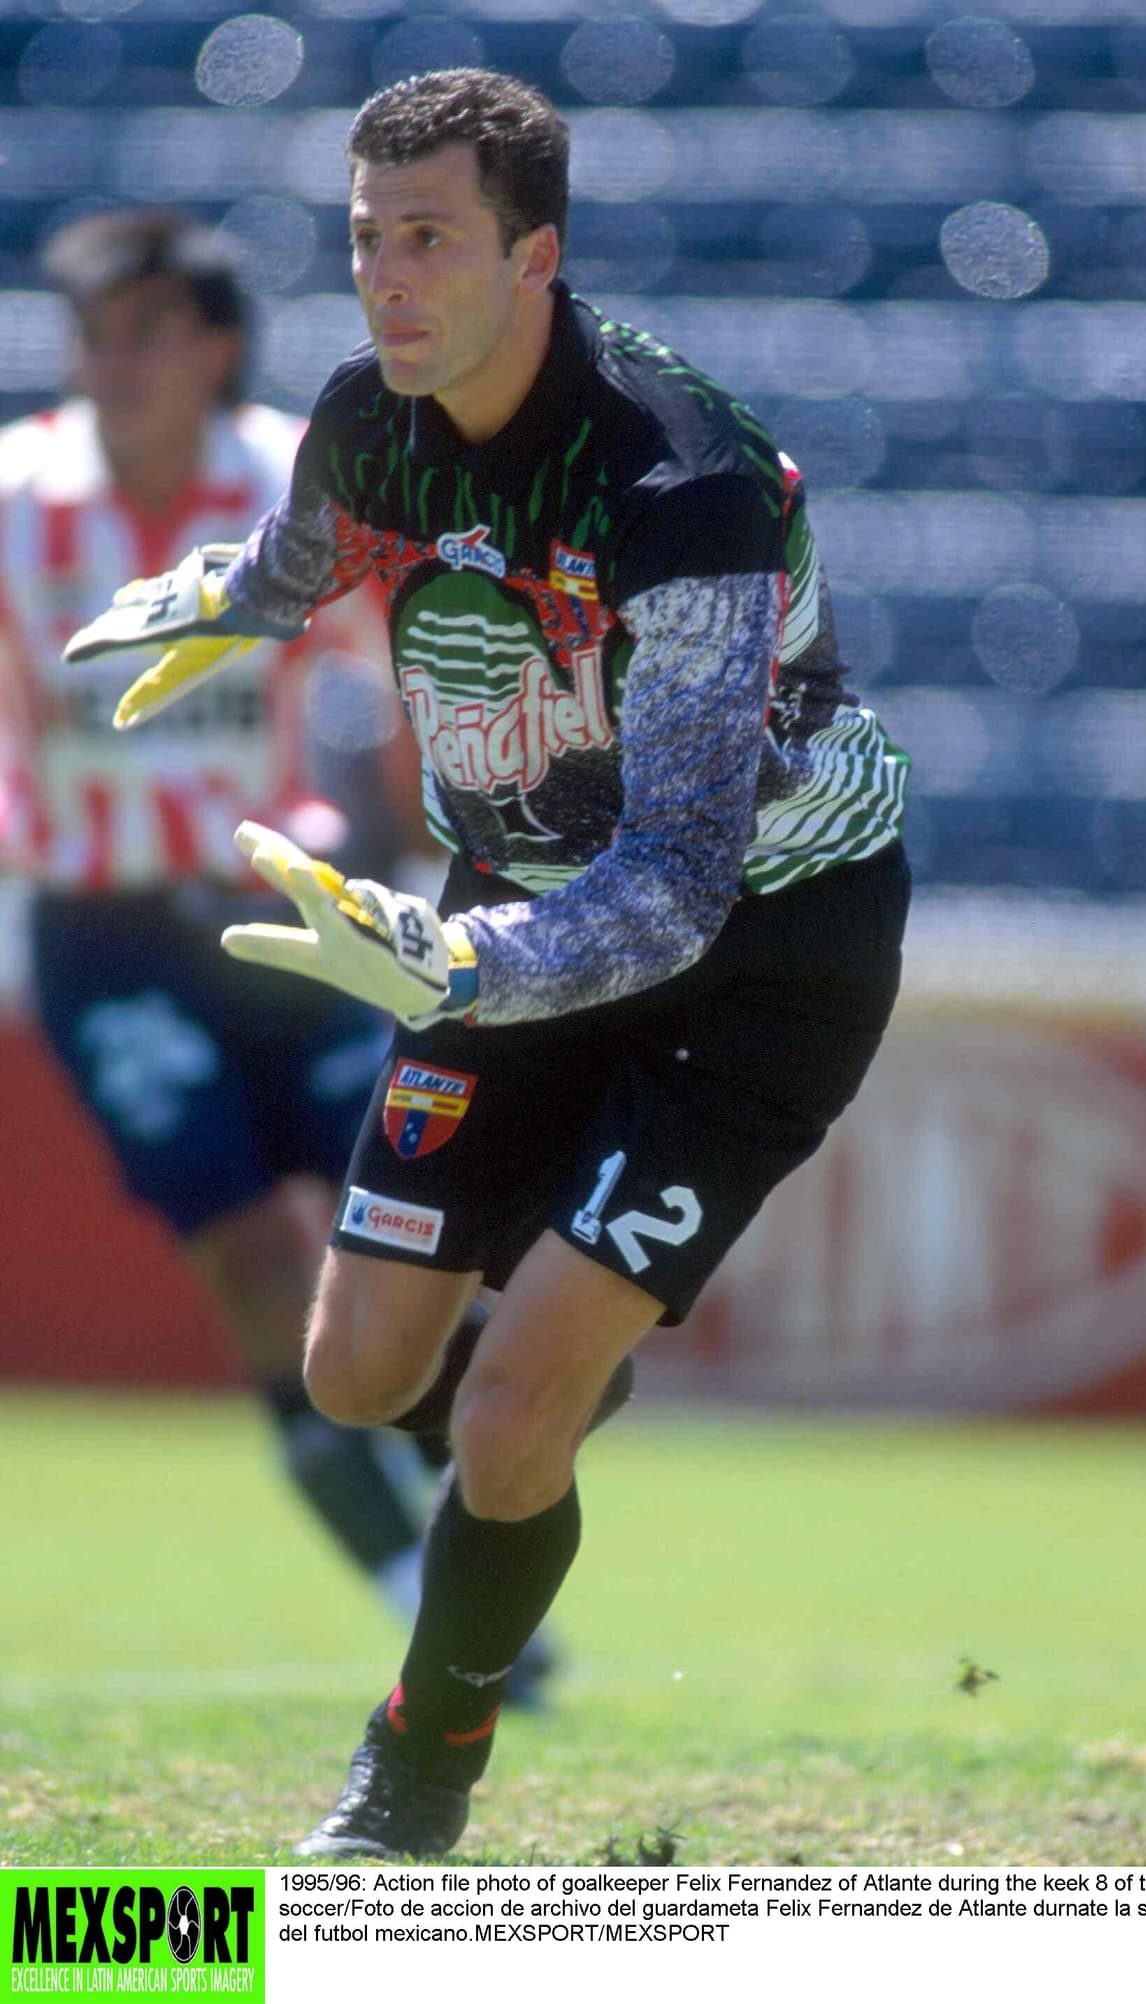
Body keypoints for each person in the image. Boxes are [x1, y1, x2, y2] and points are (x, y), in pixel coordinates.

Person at [65, 70, 912, 1861]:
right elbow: (313, 557)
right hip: (510, 905)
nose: (386, 277)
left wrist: (449, 966)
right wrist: (235, 594)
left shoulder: (682, 487)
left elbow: (676, 888)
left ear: (538, 253)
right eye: (369, 237)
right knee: (358, 1374)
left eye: (430, 237)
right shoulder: (367, 413)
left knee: (511, 1421)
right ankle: (548, 1355)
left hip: (766, 954)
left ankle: (417, 1771)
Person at [0, 206, 530, 1655]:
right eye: (94, 338)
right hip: (102, 934)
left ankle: (486, 1512)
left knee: (403, 1234)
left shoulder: (299, 482)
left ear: (215, 345)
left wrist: (435, 821)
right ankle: (407, 1581)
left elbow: (421, 654)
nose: (114, 366)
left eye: (147, 335)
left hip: (279, 915)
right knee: (244, 1253)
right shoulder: (18, 499)